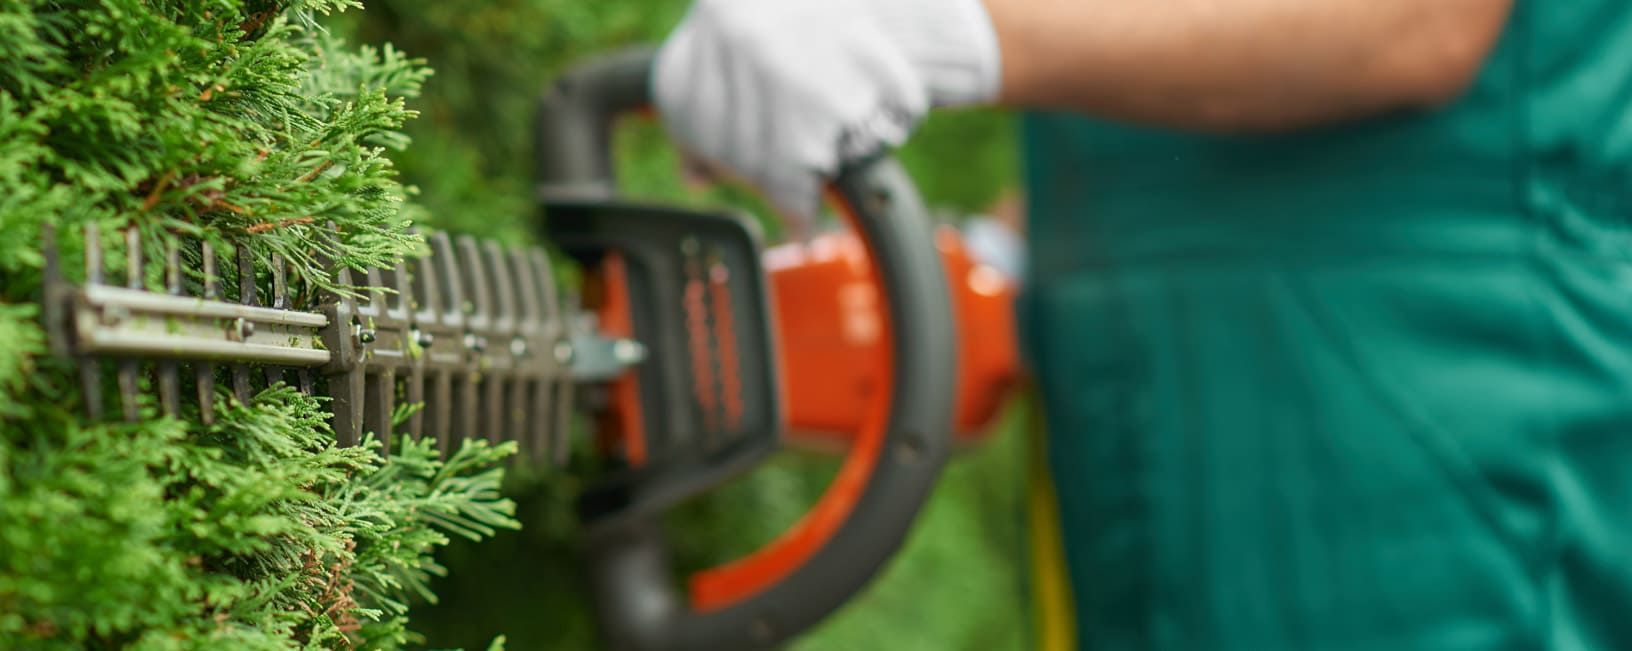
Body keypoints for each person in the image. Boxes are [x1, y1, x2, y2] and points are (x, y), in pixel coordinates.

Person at [651, 0, 1632, 649]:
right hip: (1139, 408)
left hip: (1419, 417)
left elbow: (1419, 22)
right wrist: (1000, 264)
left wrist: (942, 28)